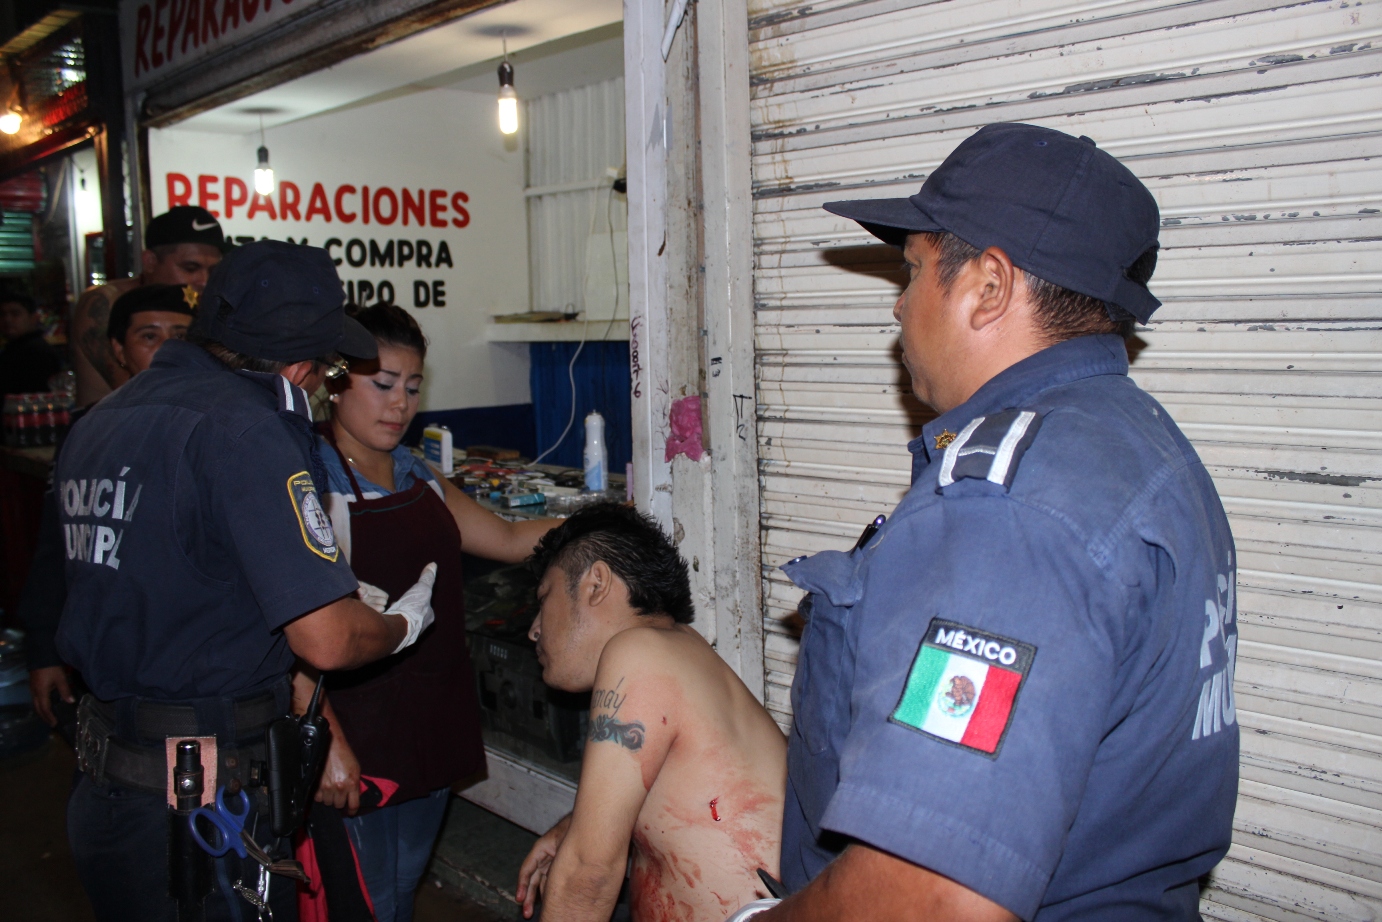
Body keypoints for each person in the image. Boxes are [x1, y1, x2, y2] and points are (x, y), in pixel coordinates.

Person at [749, 123, 1239, 922]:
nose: (900, 308)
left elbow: (935, 896)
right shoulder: (1142, 447)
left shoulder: (1011, 510)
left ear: (988, 287)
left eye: (909, 274)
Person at [57, 240, 440, 921]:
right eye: (325, 367)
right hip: (201, 815)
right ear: (300, 366)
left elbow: (196, 593)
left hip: (110, 789)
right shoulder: (248, 428)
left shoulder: (104, 420)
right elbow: (325, 638)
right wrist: (397, 624)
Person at [310, 302, 559, 922]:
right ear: (336, 383)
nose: (400, 404)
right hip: (354, 720)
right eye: (383, 385)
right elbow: (287, 626)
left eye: (413, 387)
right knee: (358, 899)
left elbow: (504, 539)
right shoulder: (309, 476)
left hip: (429, 712)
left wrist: (609, 523)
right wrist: (323, 737)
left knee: (398, 888)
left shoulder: (415, 473)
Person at [515, 503, 787, 922]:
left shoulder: (638, 653)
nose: (534, 628)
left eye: (544, 598)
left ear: (596, 583)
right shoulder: (679, 649)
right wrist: (575, 825)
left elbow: (589, 872)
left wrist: (580, 854)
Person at [23, 284, 198, 729]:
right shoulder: (88, 434)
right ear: (118, 350)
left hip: (193, 665)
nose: (166, 349)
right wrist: (42, 650)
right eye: (149, 336)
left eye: (180, 334)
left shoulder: (214, 430)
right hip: (105, 662)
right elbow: (55, 547)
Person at [70, 205, 224, 406]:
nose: (204, 281)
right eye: (190, 268)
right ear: (150, 262)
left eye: (213, 270)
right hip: (113, 433)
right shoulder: (105, 304)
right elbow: (148, 393)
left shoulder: (199, 306)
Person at [0, 291, 60, 394]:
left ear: (33, 318)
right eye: (2, 314)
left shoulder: (37, 352)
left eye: (15, 314)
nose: (7, 319)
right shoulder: (13, 349)